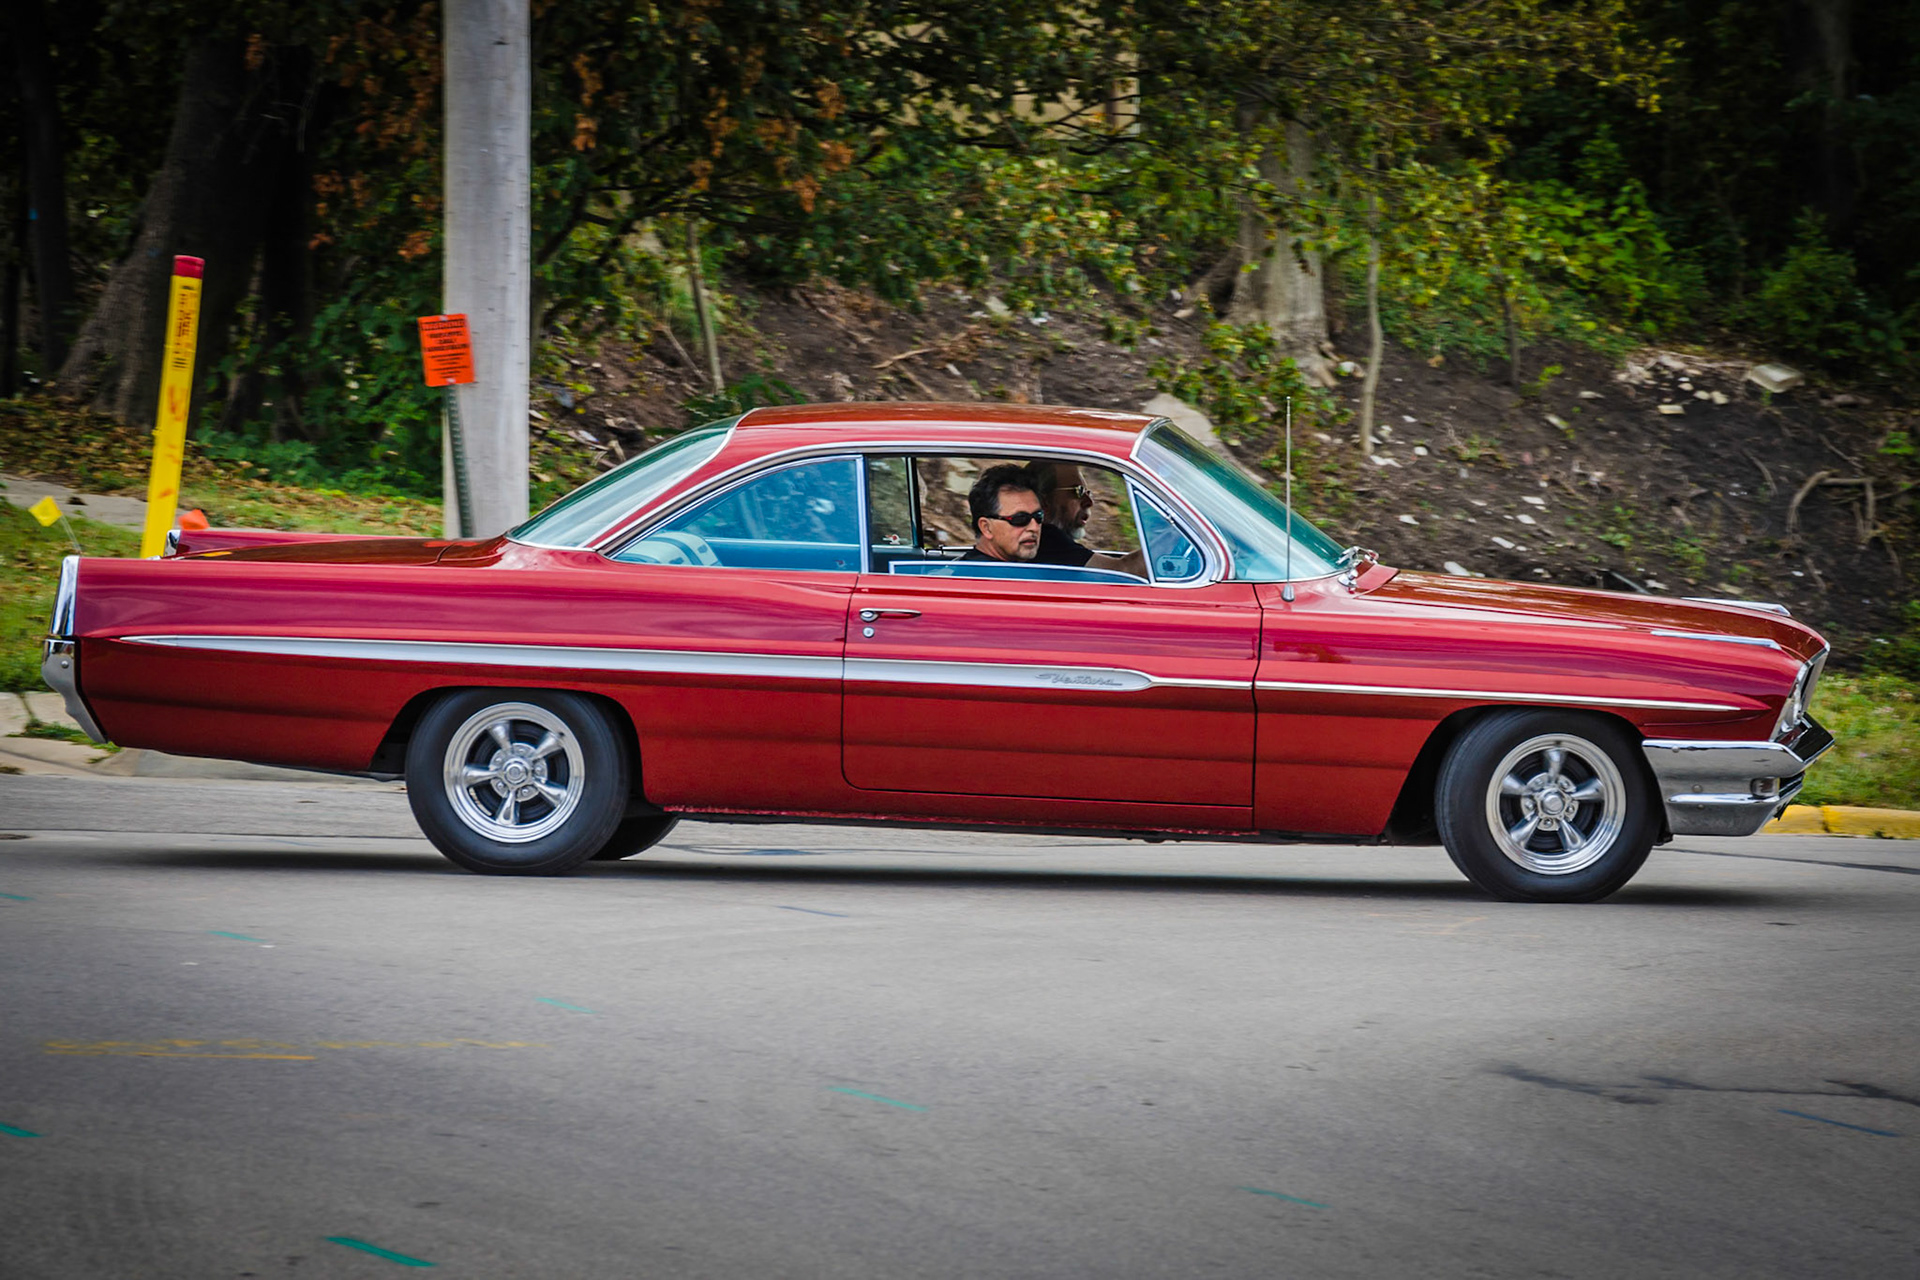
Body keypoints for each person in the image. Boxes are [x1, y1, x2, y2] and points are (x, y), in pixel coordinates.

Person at [1026, 460, 1147, 578]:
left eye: (1088, 493)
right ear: (1044, 501)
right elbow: (1123, 573)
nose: (1089, 502)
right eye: (1078, 492)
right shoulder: (1047, 539)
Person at [961, 464, 1048, 562]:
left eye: (1038, 516)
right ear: (987, 528)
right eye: (1020, 518)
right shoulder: (976, 575)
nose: (1034, 527)